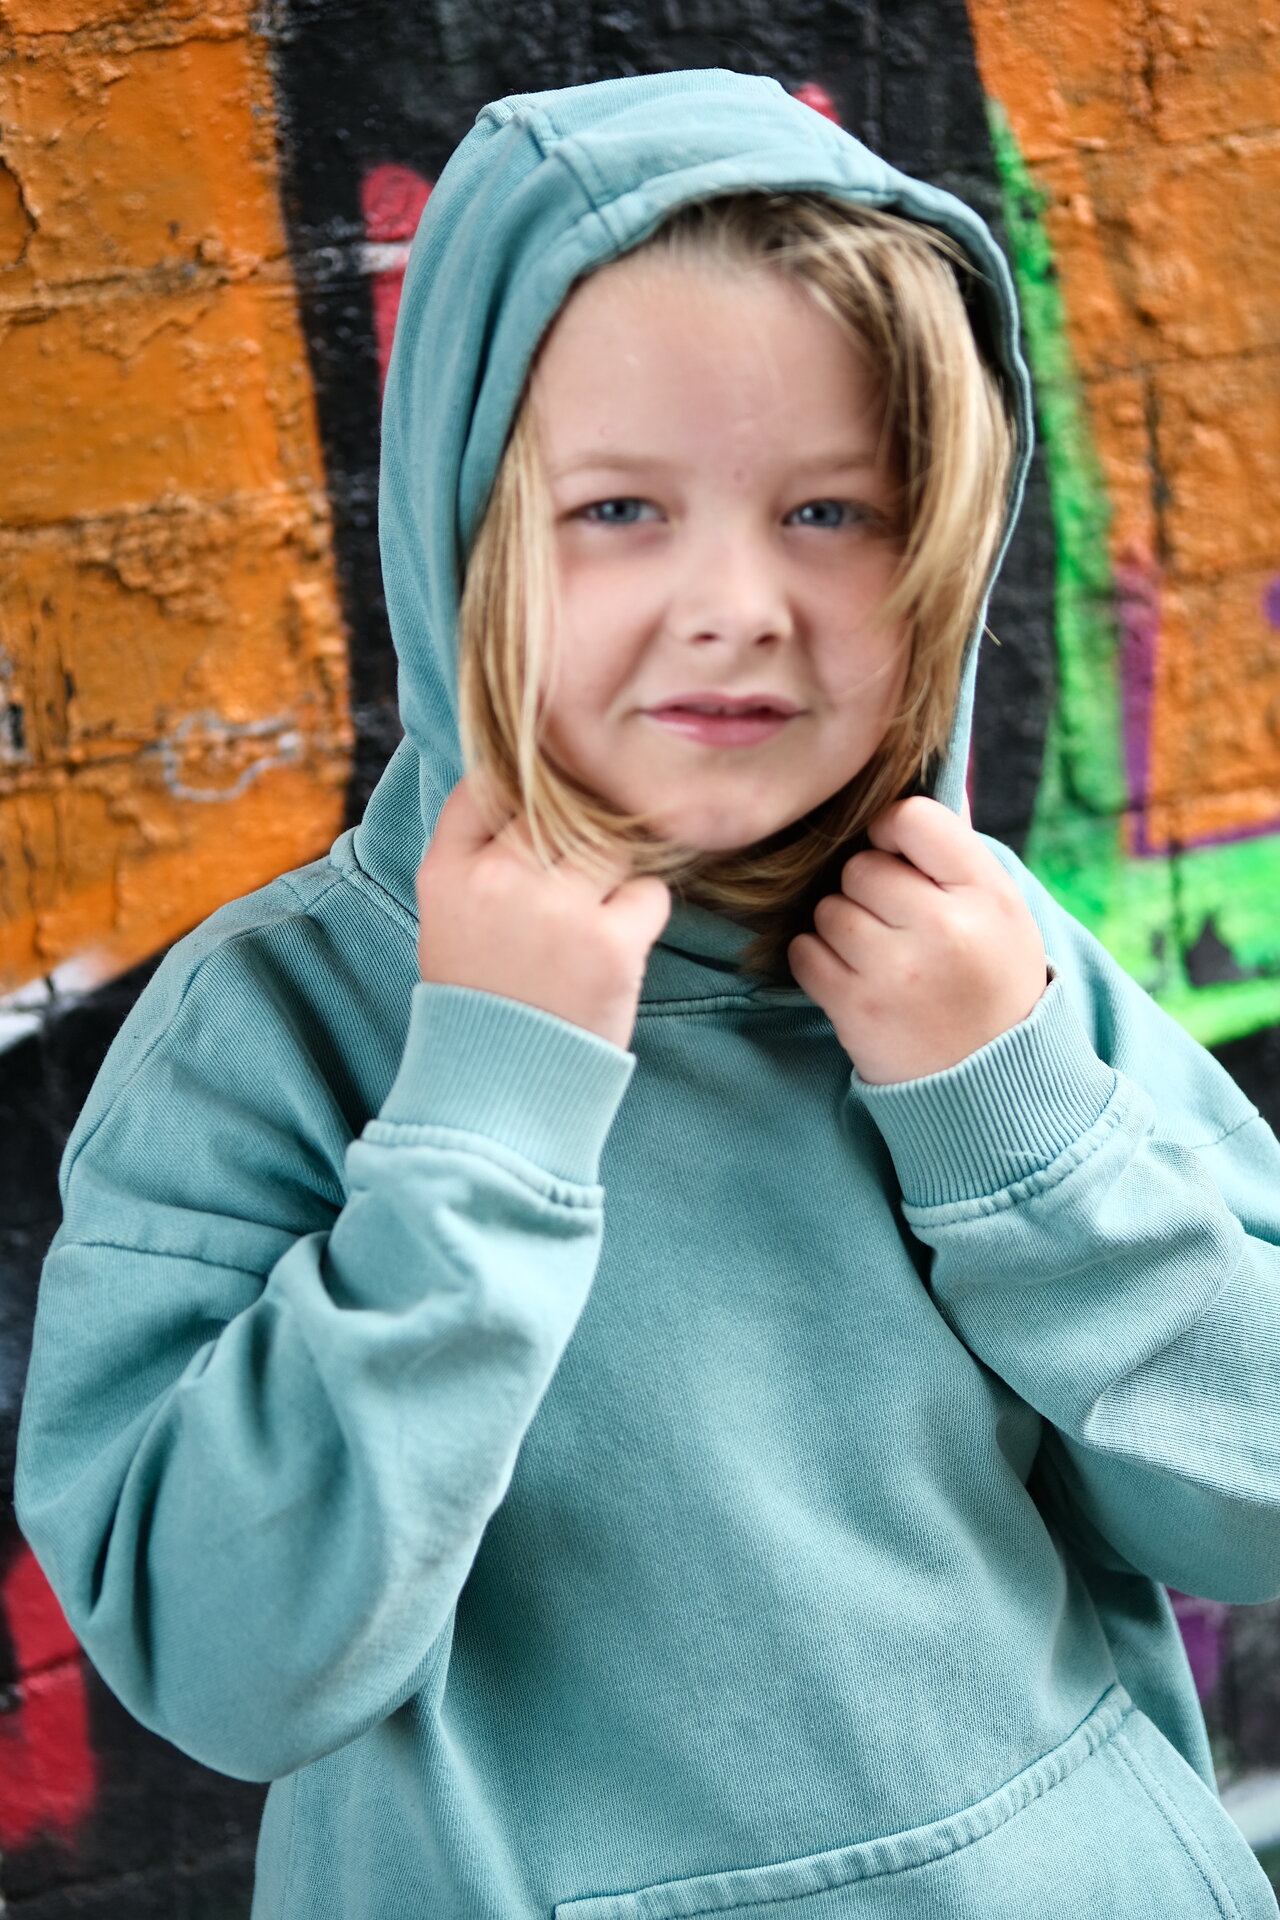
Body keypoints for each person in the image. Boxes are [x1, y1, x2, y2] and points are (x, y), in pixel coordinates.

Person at [14, 68, 1280, 1920]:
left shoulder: (982, 962)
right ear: (458, 526)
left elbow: (1245, 1501)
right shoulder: (278, 1030)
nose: (734, 604)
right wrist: (486, 1113)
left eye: (833, 514)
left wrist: (1016, 1129)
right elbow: (232, 1668)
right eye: (618, 508)